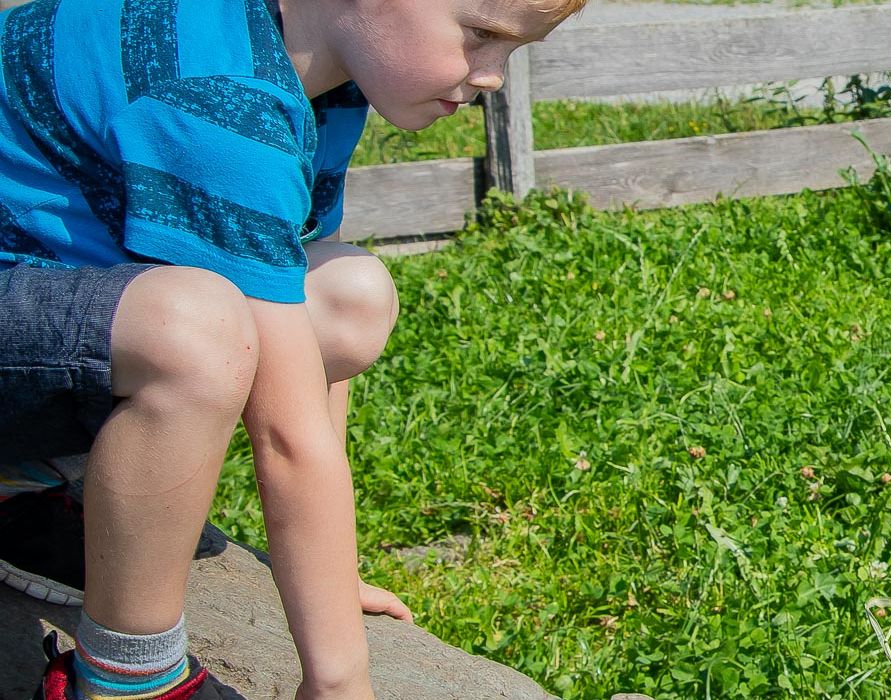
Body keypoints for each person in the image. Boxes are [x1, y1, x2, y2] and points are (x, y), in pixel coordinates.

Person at [0, 0, 581, 697]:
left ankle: (29, 486)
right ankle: (128, 678)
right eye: (482, 35)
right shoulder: (218, 93)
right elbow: (287, 434)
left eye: (512, 50)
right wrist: (339, 680)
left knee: (346, 295)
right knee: (197, 331)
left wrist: (327, 582)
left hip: (38, 306)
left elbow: (296, 344)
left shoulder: (320, 75)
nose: (491, 76)